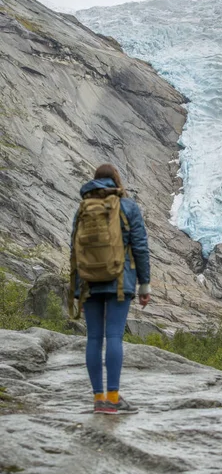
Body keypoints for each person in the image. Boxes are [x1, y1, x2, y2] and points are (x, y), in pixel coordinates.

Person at [70, 163, 151, 414]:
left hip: (90, 283)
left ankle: (98, 399)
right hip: (119, 280)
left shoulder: (83, 209)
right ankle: (113, 398)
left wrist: (76, 291)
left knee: (94, 338)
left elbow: (75, 252)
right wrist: (144, 285)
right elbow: (140, 247)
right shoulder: (127, 207)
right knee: (114, 336)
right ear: (117, 181)